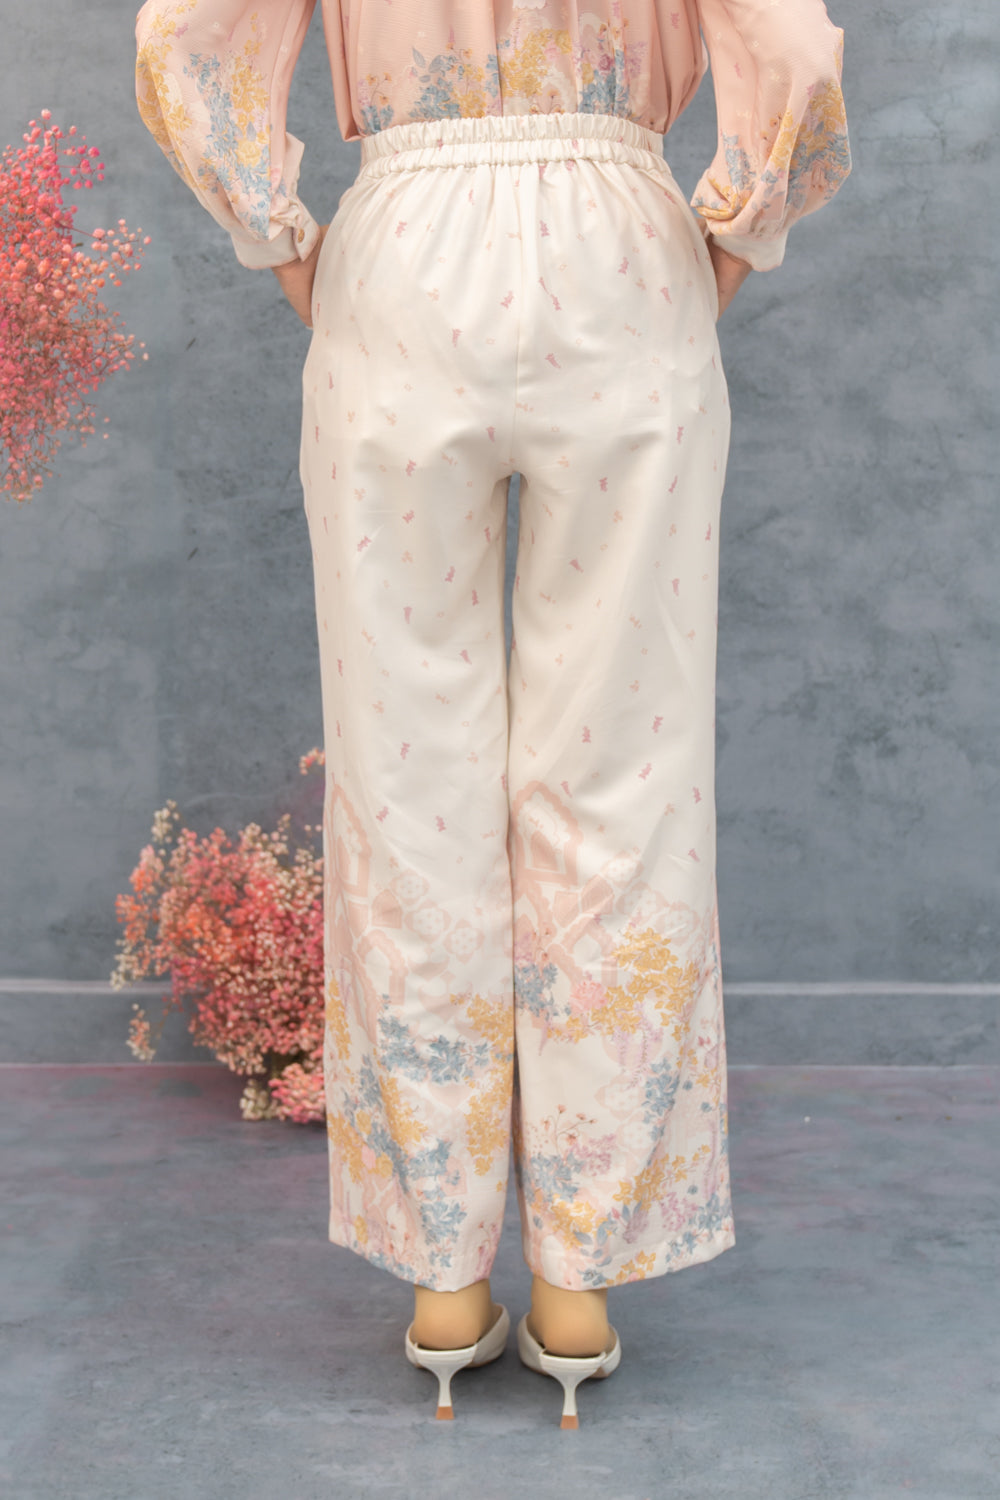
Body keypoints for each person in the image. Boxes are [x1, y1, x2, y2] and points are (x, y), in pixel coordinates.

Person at [135, 0, 851, 1427]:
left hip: (406, 247)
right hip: (621, 240)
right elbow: (795, 46)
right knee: (624, 772)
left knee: (410, 777)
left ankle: (442, 1280)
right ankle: (582, 1280)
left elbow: (189, 30)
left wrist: (288, 244)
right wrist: (729, 241)